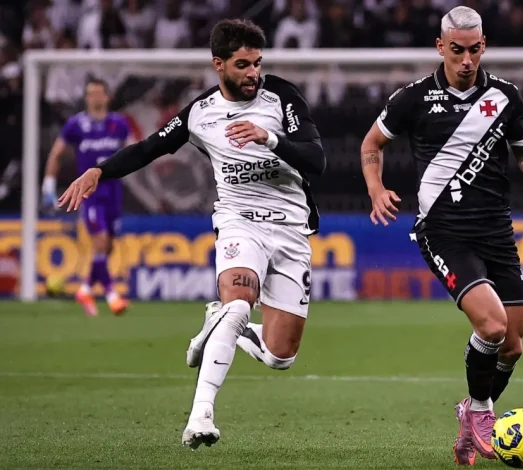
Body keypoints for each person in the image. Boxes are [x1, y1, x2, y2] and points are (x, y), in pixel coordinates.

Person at [57, 18, 326, 450]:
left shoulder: (283, 97)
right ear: (218, 65)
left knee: (280, 356)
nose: (253, 73)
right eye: (243, 65)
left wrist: (269, 138)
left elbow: (317, 160)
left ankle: (217, 323)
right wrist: (99, 171)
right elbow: (150, 148)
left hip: (292, 229)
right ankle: (200, 415)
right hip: (239, 221)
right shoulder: (200, 113)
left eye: (258, 63)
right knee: (238, 301)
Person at [359, 6, 523, 466]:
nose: (466, 60)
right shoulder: (413, 98)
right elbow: (372, 144)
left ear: (483, 46)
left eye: (474, 50)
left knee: (512, 346)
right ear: (440, 47)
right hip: (444, 232)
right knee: (491, 325)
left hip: (496, 232)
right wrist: (375, 189)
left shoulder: (505, 96)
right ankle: (483, 411)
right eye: (456, 51)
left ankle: (469, 410)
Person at [42, 78, 131, 316]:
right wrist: (48, 186)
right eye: (90, 93)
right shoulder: (76, 125)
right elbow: (57, 154)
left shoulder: (119, 124)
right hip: (89, 193)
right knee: (100, 241)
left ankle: (85, 289)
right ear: (86, 97)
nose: (94, 98)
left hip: (114, 191)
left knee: (108, 246)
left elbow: (133, 152)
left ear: (107, 96)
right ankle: (112, 295)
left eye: (99, 93)